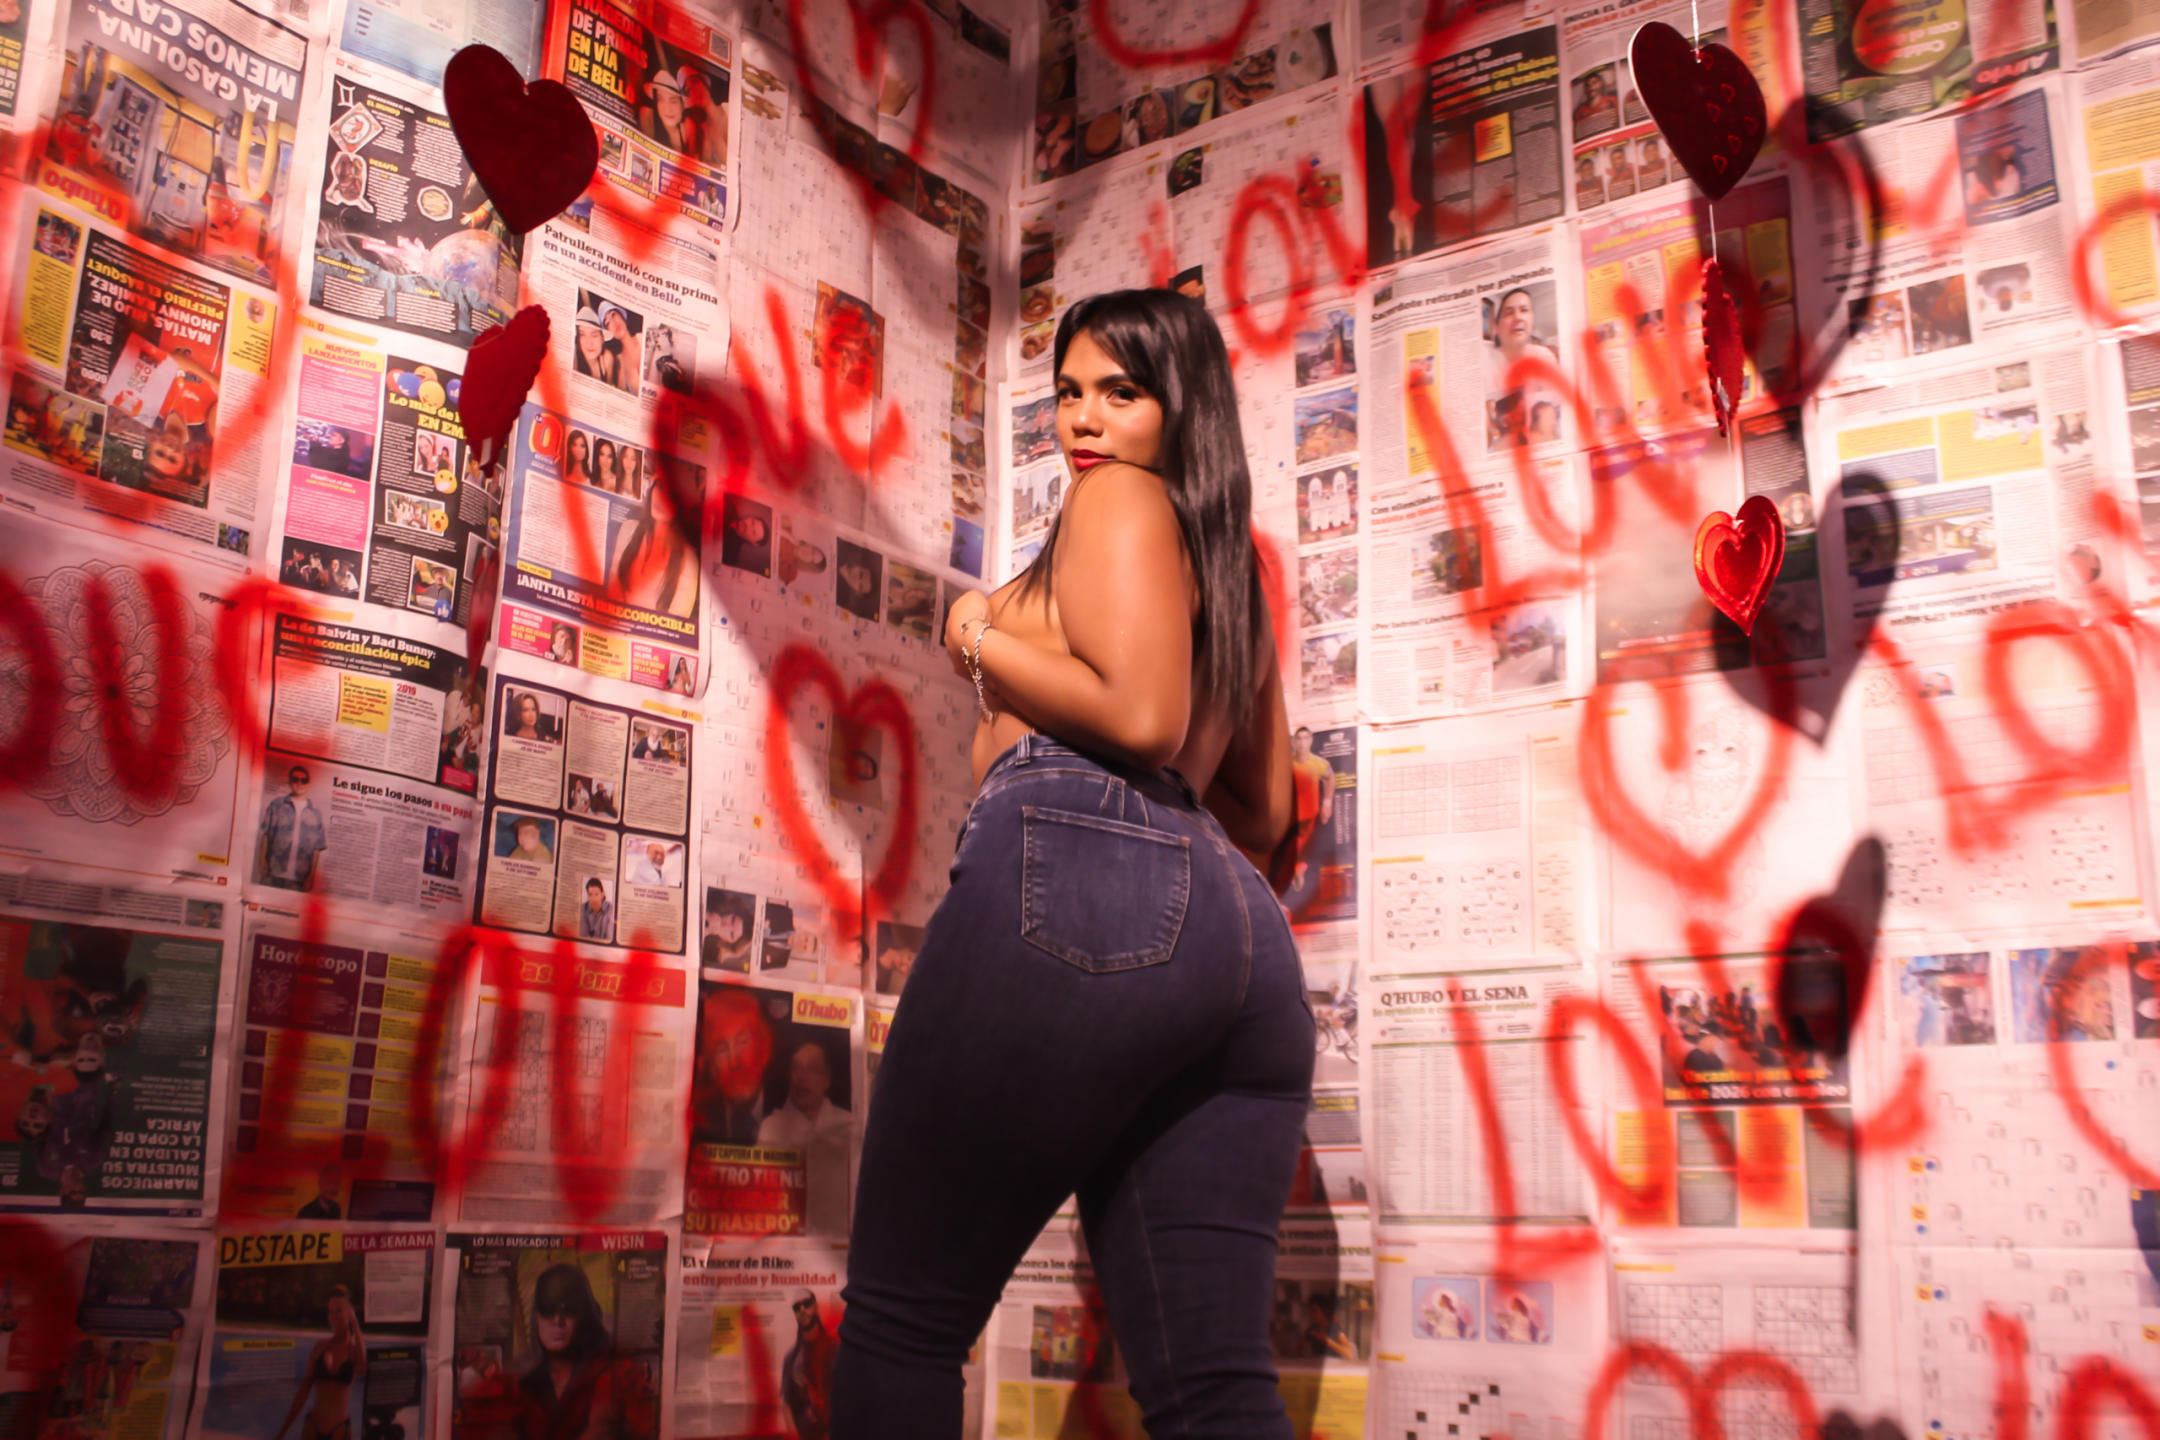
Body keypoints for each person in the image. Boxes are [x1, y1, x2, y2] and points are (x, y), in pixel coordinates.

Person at [833, 290, 1310, 1437]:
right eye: (1068, 393)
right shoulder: (1226, 563)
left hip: (1075, 868)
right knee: (1212, 1388)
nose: (1084, 421)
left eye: (1121, 392)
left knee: (901, 1325)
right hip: (1238, 942)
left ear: (1179, 407)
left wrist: (975, 634)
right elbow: (1264, 810)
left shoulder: (1117, 501)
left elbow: (1141, 717)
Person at [516, 1264, 631, 1440]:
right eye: (548, 1309)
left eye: (568, 1309)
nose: (558, 1320)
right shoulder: (528, 1385)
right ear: (536, 1317)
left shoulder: (608, 1373)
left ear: (584, 1315)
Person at [757, 1039, 853, 1235]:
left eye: (813, 1069)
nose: (801, 1077)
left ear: (827, 1080)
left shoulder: (849, 1124)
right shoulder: (771, 1127)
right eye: (796, 1068)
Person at [271, 1286, 365, 1440]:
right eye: (330, 1311)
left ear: (350, 1312)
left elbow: (363, 1365)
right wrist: (283, 1431)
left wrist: (355, 1322)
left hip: (339, 1430)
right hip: (312, 1427)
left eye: (338, 1310)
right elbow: (303, 1391)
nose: (333, 1316)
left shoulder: (353, 1350)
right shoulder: (320, 1347)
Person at [691, 987, 774, 1142]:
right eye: (722, 1049)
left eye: (743, 1042)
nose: (734, 1063)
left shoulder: (792, 1107)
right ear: (710, 1066)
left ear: (764, 1047)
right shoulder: (697, 1120)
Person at [608, 478, 698, 618]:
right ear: (652, 489)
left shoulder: (688, 559)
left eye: (671, 495)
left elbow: (678, 619)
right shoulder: (628, 528)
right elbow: (613, 588)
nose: (662, 498)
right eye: (660, 487)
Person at [1486, 288, 1560, 447]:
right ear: (1497, 328)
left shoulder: (1544, 356)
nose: (1518, 317)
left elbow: (1552, 415)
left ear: (1532, 322)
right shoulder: (1486, 361)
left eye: (1524, 310)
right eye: (1508, 313)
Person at [258, 765, 328, 890]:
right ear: (290, 782)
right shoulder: (276, 805)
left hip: (300, 879)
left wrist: (312, 876)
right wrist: (261, 860)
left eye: (303, 780)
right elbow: (266, 835)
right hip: (273, 872)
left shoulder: (316, 814)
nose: (299, 783)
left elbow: (317, 849)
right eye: (295, 779)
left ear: (308, 784)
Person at [782, 1290, 837, 1440]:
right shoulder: (791, 1358)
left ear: (815, 1306)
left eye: (807, 1304)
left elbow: (849, 1396)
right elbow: (786, 1404)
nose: (802, 1310)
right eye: (796, 1307)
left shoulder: (835, 1350)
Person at [574, 308, 620, 389]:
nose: (589, 343)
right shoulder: (574, 357)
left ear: (602, 338)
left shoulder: (607, 358)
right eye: (582, 335)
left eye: (594, 335)